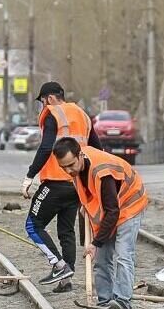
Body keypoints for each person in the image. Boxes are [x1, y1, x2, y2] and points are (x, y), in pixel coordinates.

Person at [52, 137, 149, 309]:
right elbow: (87, 204)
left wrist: (96, 243)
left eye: (71, 165)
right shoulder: (77, 170)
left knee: (123, 255)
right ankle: (105, 304)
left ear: (80, 155)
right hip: (111, 208)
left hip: (130, 203)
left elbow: (113, 212)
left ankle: (122, 303)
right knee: (101, 259)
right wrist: (88, 244)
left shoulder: (102, 172)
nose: (68, 170)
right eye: (63, 167)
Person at [21, 81, 104, 294]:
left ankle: (59, 266)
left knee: (33, 225)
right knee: (65, 230)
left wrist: (30, 175)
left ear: (48, 98)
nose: (42, 106)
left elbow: (47, 146)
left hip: (56, 182)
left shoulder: (52, 113)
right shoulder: (83, 115)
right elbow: (97, 148)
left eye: (42, 101)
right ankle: (66, 280)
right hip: (76, 183)